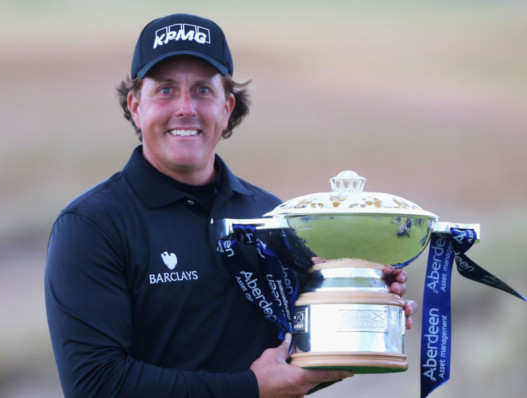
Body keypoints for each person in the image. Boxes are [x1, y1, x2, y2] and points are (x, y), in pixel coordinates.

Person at [44, 13, 417, 398]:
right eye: (166, 90)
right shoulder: (92, 226)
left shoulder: (273, 219)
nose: (186, 107)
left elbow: (298, 363)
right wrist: (250, 389)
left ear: (227, 106)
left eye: (203, 90)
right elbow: (96, 386)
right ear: (136, 105)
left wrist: (359, 304)